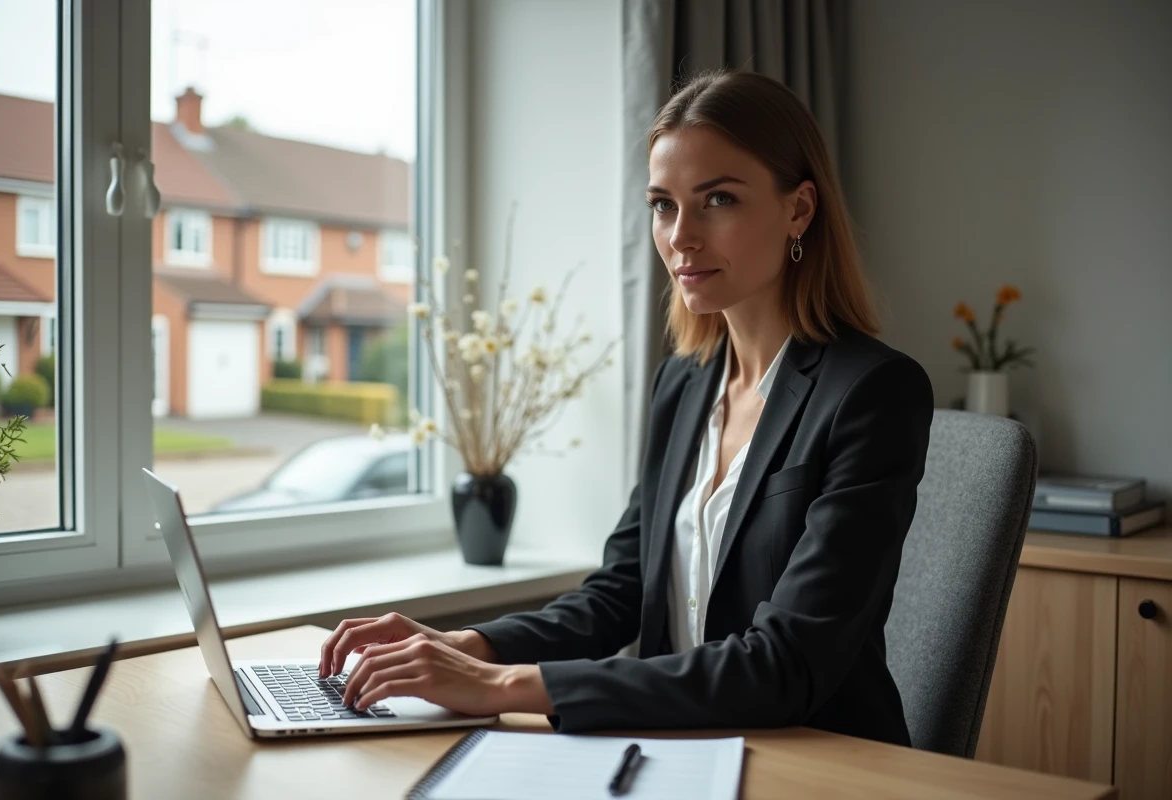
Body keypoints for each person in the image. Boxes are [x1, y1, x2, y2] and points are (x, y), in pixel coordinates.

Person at [318, 69, 933, 748]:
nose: (680, 237)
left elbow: (784, 666)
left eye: (718, 199)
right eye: (663, 205)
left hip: (824, 762)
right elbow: (620, 591)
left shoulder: (872, 394)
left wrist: (499, 686)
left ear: (799, 209)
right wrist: (466, 645)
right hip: (681, 747)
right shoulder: (684, 383)